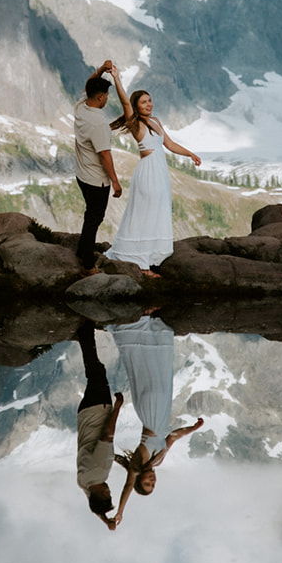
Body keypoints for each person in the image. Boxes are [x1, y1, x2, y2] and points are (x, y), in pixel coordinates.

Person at [108, 315, 204, 515]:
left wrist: (120, 512)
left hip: (150, 412)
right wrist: (192, 429)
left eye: (146, 483)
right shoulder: (158, 461)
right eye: (153, 485)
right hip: (161, 411)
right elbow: (172, 437)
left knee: (148, 371)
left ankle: (138, 327)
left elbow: (127, 488)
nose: (151, 481)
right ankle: (153, 328)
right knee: (160, 369)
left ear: (138, 480)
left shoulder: (137, 465)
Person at [105, 88, 201, 273]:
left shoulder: (156, 121)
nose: (149, 104)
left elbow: (170, 144)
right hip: (147, 173)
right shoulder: (135, 124)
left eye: (149, 100)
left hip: (160, 173)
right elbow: (125, 102)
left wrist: (190, 154)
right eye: (143, 102)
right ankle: (141, 263)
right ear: (136, 106)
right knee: (145, 212)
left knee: (158, 210)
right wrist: (116, 78)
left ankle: (150, 254)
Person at [73, 61, 125, 271]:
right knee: (95, 218)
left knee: (90, 215)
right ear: (101, 97)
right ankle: (86, 263)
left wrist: (101, 70)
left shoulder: (81, 107)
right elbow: (104, 155)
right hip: (96, 180)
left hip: (81, 174)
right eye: (106, 96)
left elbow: (88, 86)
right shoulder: (99, 123)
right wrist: (115, 181)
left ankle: (81, 250)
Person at [74, 322, 125, 527]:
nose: (109, 491)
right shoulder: (84, 481)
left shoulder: (100, 471)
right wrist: (105, 520)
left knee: (96, 371)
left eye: (108, 495)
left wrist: (118, 407)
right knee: (94, 372)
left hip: (98, 410)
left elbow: (107, 435)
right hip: (85, 413)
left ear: (102, 494)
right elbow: (92, 502)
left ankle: (84, 331)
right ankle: (84, 334)